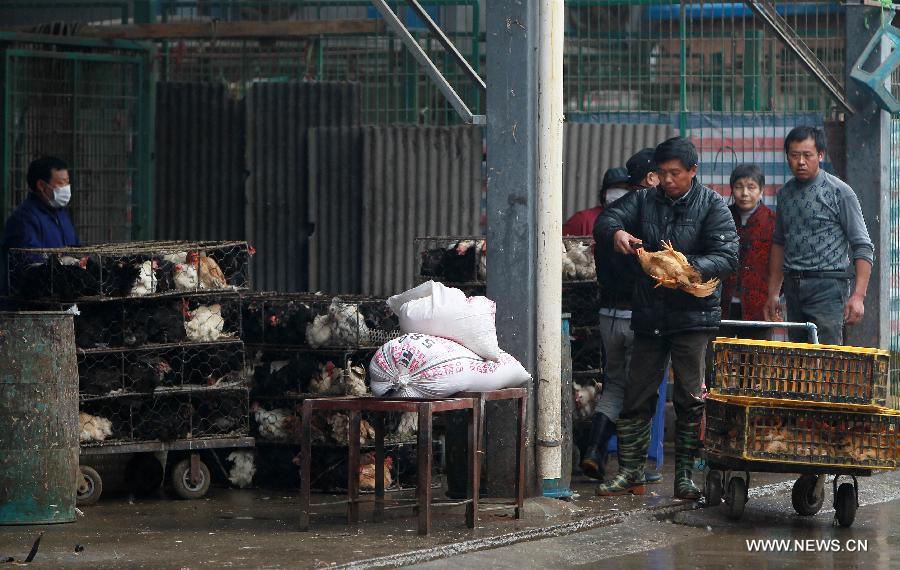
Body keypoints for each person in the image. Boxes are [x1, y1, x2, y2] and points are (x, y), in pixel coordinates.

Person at [594, 137, 738, 499]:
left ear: (693, 171)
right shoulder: (643, 200)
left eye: (675, 172)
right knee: (637, 392)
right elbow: (608, 218)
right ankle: (631, 470)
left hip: (693, 317)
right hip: (650, 314)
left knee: (691, 397)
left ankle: (685, 476)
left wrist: (687, 268)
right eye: (661, 172)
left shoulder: (713, 205)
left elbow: (728, 254)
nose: (667, 179)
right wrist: (617, 232)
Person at [581, 148, 662, 483]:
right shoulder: (650, 214)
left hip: (607, 316)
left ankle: (593, 453)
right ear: (650, 178)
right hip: (637, 319)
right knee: (640, 393)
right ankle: (635, 467)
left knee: (613, 387)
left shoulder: (609, 218)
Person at [762, 126, 874, 345]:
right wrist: (774, 293)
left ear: (820, 155)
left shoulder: (839, 192)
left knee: (827, 357)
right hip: (793, 287)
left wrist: (858, 296)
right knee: (799, 359)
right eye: (794, 156)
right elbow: (779, 244)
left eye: (807, 155)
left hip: (828, 286)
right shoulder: (784, 194)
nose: (800, 162)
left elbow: (862, 245)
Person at [1, 156, 79, 296]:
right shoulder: (24, 219)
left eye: (68, 182)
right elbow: (29, 264)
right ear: (41, 186)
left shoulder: (62, 214)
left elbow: (76, 248)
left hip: (63, 296)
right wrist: (60, 263)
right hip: (33, 303)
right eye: (61, 183)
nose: (66, 188)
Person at [720, 164, 775, 336]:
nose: (744, 194)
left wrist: (773, 294)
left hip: (760, 308)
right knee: (720, 359)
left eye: (751, 187)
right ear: (732, 189)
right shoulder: (721, 218)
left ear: (761, 190)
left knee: (756, 361)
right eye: (738, 187)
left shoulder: (773, 222)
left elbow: (782, 264)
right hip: (723, 306)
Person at [562, 167, 630, 236]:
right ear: (604, 193)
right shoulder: (583, 220)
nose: (621, 193)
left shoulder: (638, 222)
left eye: (626, 188)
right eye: (616, 187)